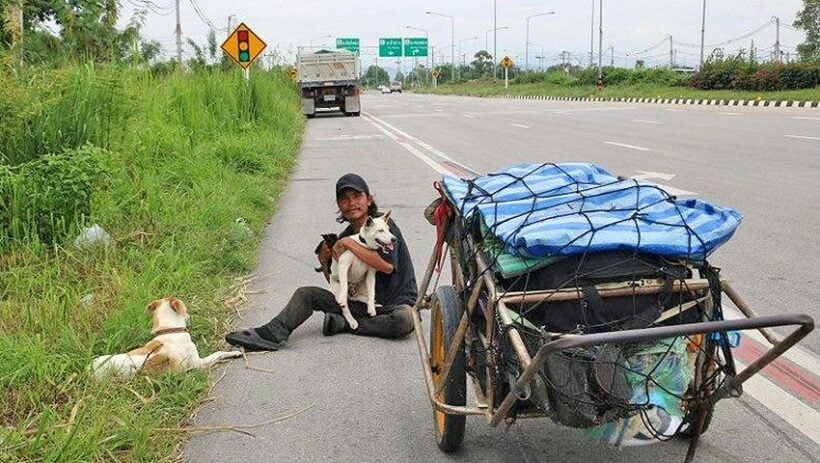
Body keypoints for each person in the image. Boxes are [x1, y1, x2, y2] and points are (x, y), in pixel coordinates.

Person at [225, 173, 417, 351]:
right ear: (339, 205)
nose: (351, 203)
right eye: (344, 199)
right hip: (359, 303)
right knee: (306, 294)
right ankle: (271, 333)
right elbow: (339, 282)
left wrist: (348, 244)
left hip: (393, 305)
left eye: (357, 197)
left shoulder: (383, 226)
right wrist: (325, 261)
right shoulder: (345, 238)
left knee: (405, 320)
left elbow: (386, 266)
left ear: (369, 199)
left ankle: (344, 323)